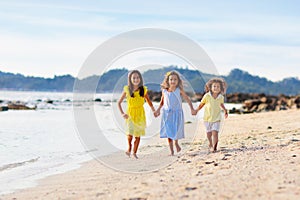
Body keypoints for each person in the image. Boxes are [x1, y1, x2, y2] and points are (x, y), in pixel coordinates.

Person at [154, 71, 196, 156]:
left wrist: (192, 109)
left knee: (176, 131)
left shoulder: (179, 90)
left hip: (177, 113)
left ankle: (176, 143)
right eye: (171, 79)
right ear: (168, 80)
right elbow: (162, 102)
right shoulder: (164, 91)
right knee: (168, 132)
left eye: (175, 79)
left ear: (178, 81)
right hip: (167, 114)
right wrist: (158, 110)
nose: (173, 81)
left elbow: (187, 99)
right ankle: (171, 151)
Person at [118, 70, 156, 159]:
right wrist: (122, 113)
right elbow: (119, 102)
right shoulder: (127, 89)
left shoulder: (143, 90)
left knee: (138, 135)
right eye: (134, 78)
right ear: (130, 79)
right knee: (130, 133)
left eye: (137, 77)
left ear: (140, 79)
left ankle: (134, 152)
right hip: (130, 113)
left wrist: (154, 111)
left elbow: (149, 101)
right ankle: (129, 147)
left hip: (140, 114)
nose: (136, 79)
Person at [194, 77, 228, 152]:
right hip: (207, 118)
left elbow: (221, 104)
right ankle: (210, 143)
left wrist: (225, 110)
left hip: (217, 118)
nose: (216, 88)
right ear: (210, 88)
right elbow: (202, 104)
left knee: (215, 133)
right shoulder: (207, 96)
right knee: (209, 133)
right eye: (214, 86)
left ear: (221, 88)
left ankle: (215, 147)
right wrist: (196, 110)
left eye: (218, 87)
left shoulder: (221, 97)